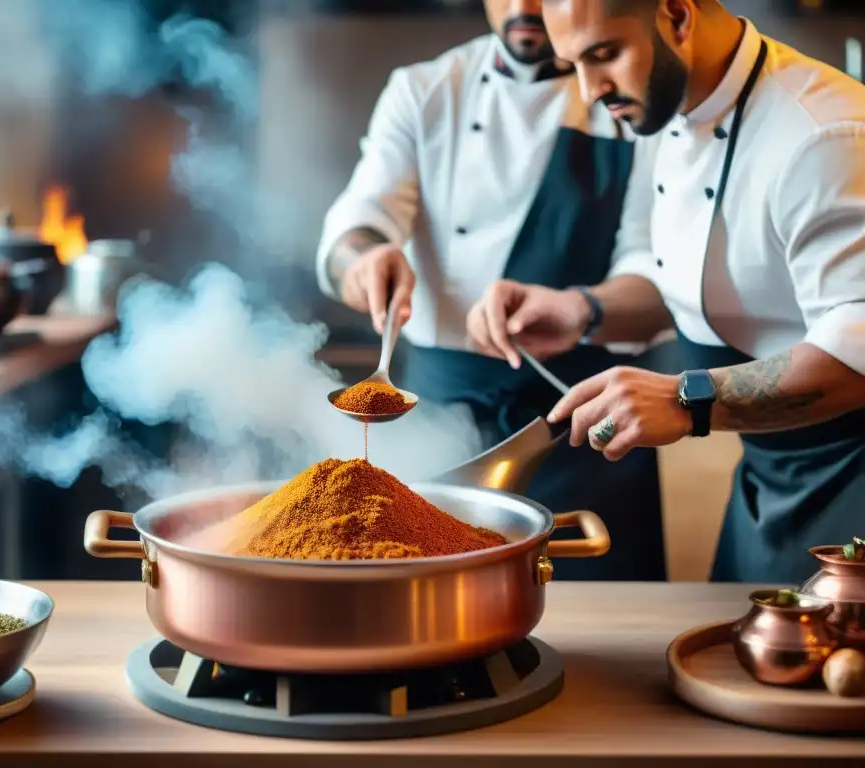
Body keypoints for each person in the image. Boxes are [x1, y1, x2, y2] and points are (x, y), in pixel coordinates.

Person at [469, 0, 865, 584]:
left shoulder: (823, 133)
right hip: (767, 473)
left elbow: (856, 353)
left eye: (604, 55)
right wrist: (582, 310)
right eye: (574, 62)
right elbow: (706, 281)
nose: (590, 87)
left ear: (678, 17)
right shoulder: (669, 108)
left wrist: (689, 399)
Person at [316, 0, 676, 580]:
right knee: (435, 603)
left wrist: (581, 308)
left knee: (607, 618)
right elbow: (359, 218)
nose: (525, 7)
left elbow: (661, 277)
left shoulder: (633, 98)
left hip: (584, 422)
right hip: (440, 424)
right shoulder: (426, 89)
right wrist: (365, 258)